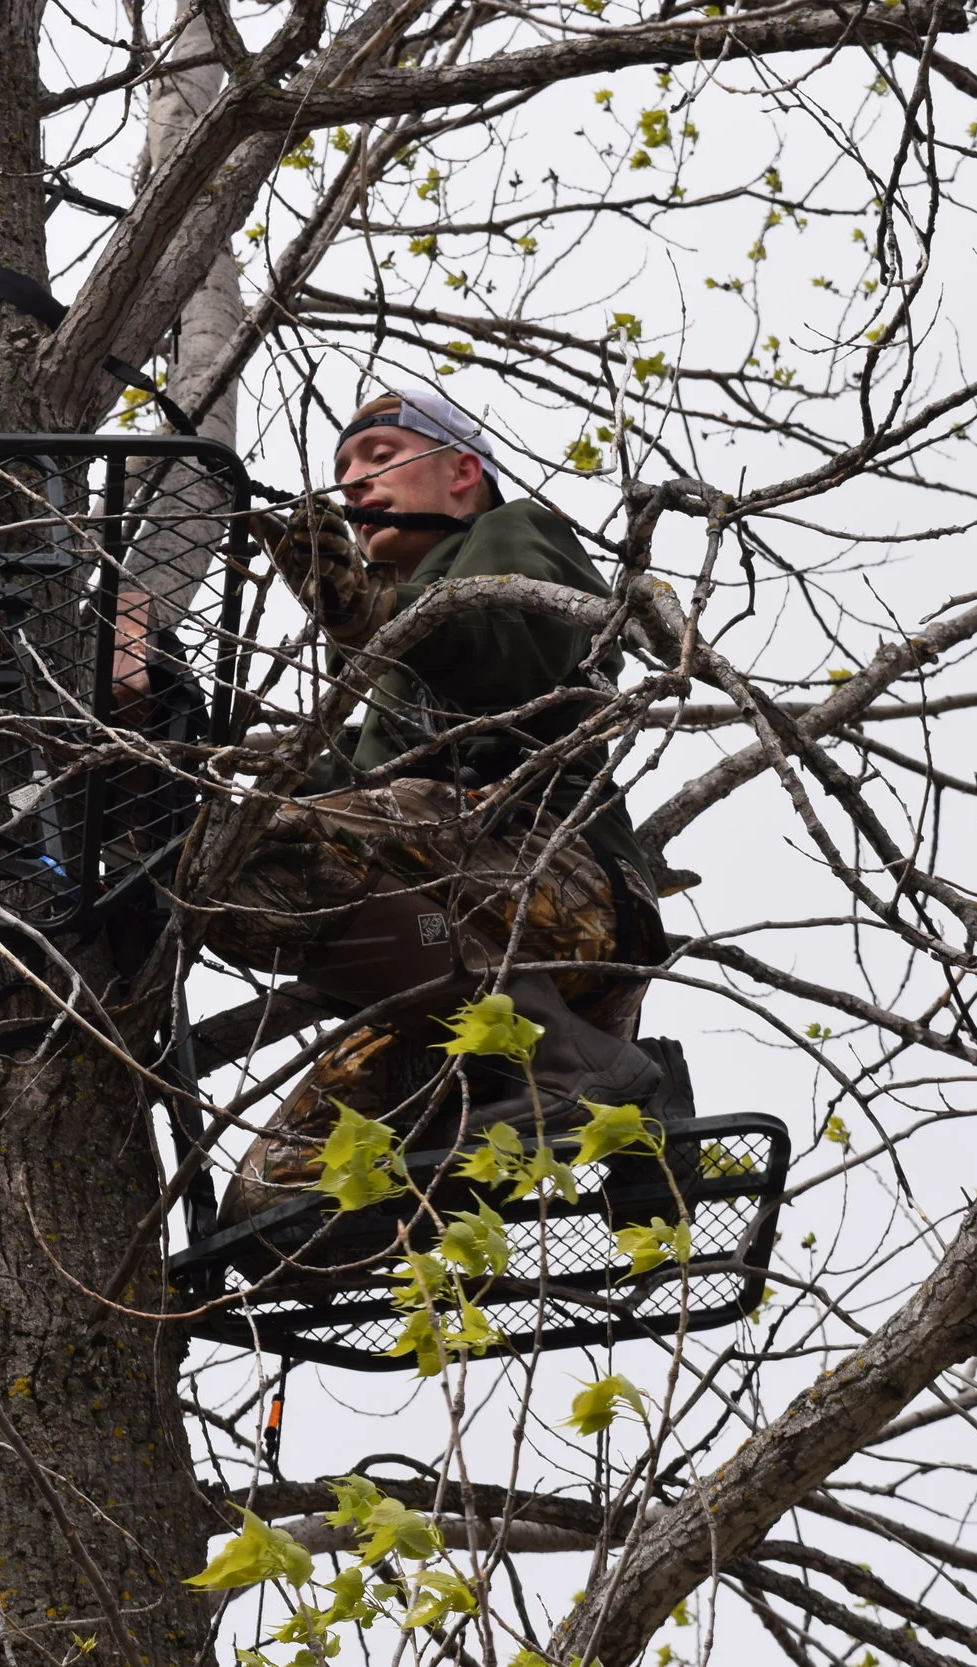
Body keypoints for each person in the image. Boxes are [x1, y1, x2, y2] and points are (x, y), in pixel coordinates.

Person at [198, 389, 673, 1229]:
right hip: (451, 980)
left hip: (563, 894)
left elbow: (513, 654)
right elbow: (316, 803)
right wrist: (162, 732)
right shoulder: (388, 694)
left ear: (462, 473)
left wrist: (370, 610)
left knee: (274, 847)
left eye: (380, 455)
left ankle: (569, 1064)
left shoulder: (511, 532)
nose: (354, 482)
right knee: (274, 1211)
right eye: (344, 470)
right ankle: (584, 1106)